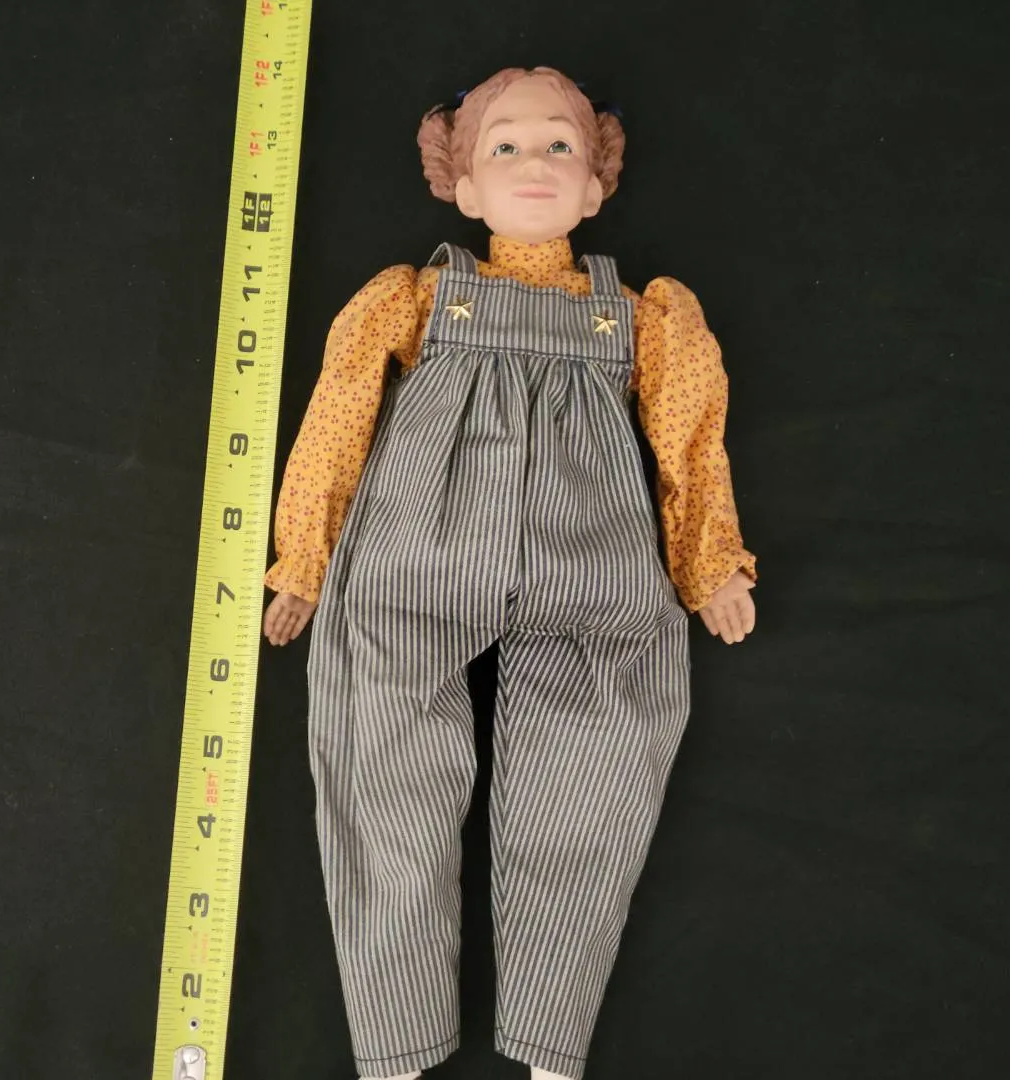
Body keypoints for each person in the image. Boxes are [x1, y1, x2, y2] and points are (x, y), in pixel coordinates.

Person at [262, 65, 758, 1080]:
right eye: (505, 146)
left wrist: (708, 563)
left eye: (560, 145)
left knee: (601, 756)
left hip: (593, 558)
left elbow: (689, 441)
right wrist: (304, 558)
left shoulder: (645, 318)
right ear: (463, 187)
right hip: (418, 548)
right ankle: (396, 1037)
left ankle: (551, 1036)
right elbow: (337, 418)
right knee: (379, 755)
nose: (535, 161)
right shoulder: (414, 298)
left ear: (596, 187)